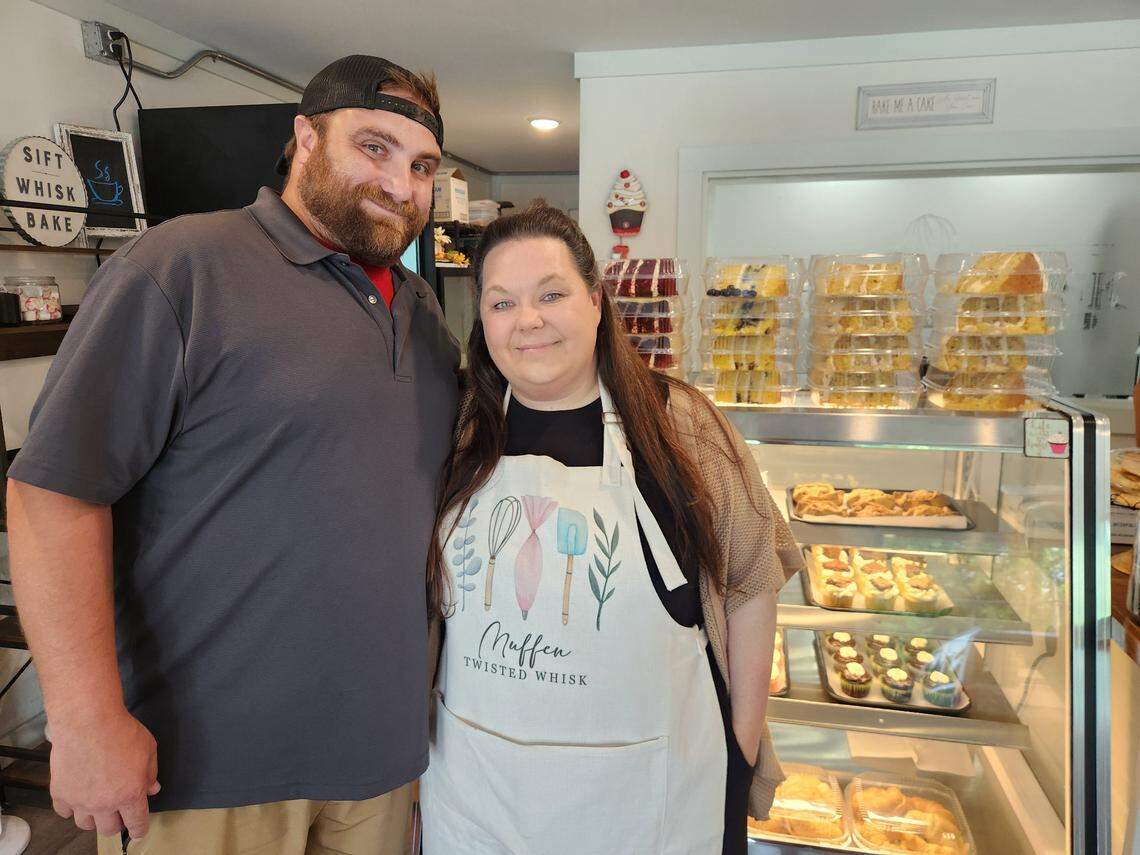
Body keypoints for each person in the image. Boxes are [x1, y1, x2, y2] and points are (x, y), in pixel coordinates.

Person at [5, 55, 458, 855]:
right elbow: (52, 496)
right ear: (306, 139)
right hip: (204, 770)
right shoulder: (180, 268)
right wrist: (83, 720)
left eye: (422, 166)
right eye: (374, 147)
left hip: (380, 760)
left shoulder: (423, 314)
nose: (401, 185)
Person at [420, 204, 802, 854]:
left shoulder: (681, 422)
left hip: (650, 806)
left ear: (596, 301)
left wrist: (739, 753)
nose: (528, 320)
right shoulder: (460, 426)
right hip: (478, 804)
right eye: (502, 302)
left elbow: (751, 580)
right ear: (482, 320)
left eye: (551, 294)